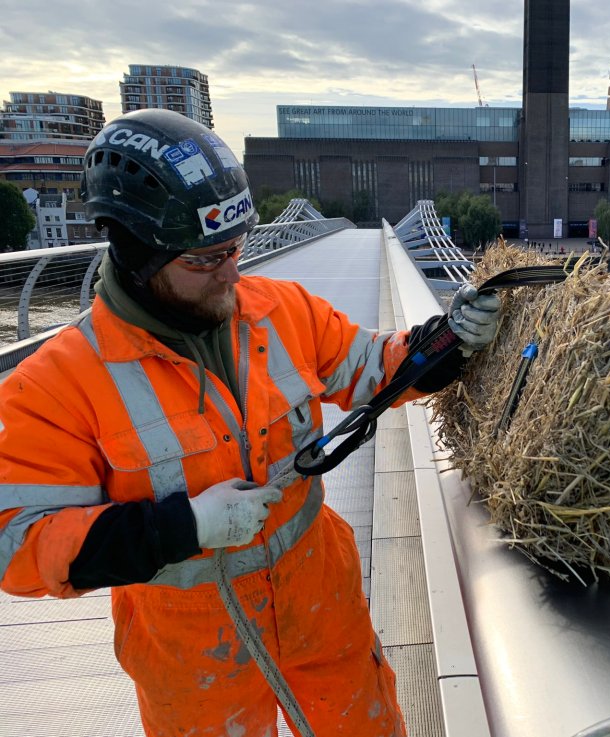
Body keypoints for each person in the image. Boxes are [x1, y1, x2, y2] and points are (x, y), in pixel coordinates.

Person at [0, 110, 501, 737]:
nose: (233, 274)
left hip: (322, 608)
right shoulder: (56, 383)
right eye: (207, 259)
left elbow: (377, 370)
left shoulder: (280, 312)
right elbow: (18, 545)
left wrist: (449, 339)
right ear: (135, 253)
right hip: (195, 661)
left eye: (235, 249)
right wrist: (182, 527)